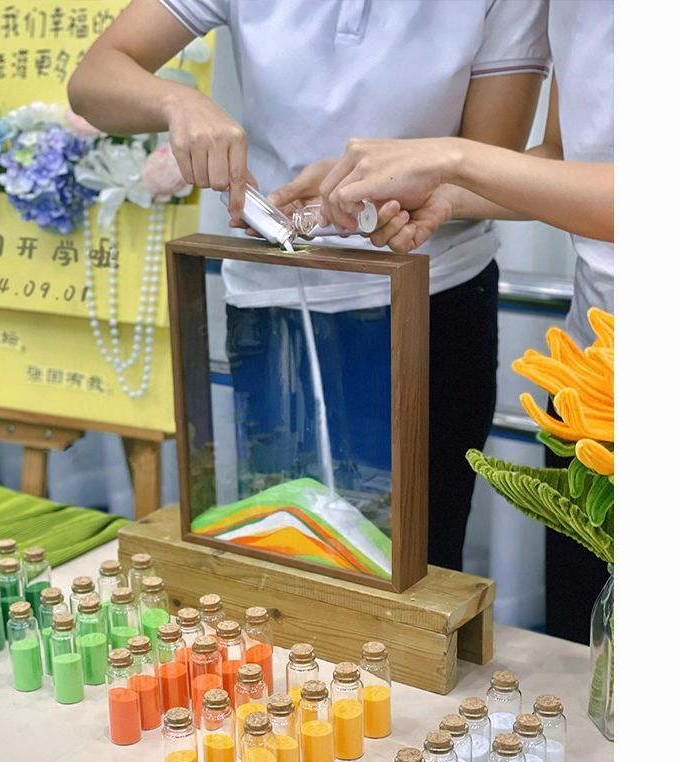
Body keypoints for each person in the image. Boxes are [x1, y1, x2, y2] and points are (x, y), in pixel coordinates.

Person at [68, 0, 551, 572]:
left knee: (417, 561)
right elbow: (93, 81)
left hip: (433, 301)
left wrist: (393, 193)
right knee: (278, 545)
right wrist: (179, 101)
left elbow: (490, 168)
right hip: (274, 303)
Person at [310, 0, 614, 635]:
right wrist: (439, 193)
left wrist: (454, 158)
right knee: (585, 638)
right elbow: (563, 160)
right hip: (591, 387)